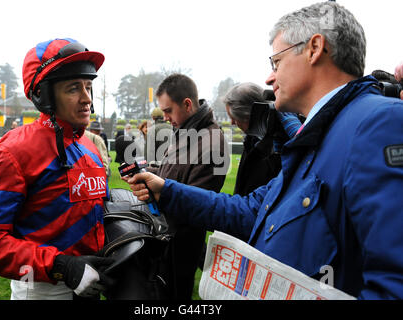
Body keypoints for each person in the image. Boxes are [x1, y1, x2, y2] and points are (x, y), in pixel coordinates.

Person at [126, 2, 403, 299]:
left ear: (315, 48)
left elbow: (393, 281)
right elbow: (249, 210)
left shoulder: (379, 121)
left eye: (276, 62)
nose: (270, 78)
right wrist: (167, 191)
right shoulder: (321, 136)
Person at [0, 38, 115, 300]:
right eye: (73, 89)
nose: (87, 98)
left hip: (92, 284)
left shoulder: (89, 147)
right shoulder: (14, 151)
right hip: (43, 289)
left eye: (88, 87)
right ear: (43, 95)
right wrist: (60, 266)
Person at [149, 73, 229, 300]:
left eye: (168, 111)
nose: (165, 117)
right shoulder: (185, 130)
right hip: (164, 235)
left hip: (180, 243)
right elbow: (172, 175)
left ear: (187, 104)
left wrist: (157, 191)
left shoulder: (212, 140)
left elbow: (197, 201)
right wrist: (148, 174)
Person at [223, 82, 301, 196]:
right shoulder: (253, 140)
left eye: (233, 118)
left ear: (249, 115)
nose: (232, 123)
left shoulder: (284, 143)